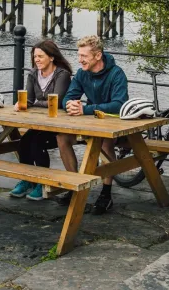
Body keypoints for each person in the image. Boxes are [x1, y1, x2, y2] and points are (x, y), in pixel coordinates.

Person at [56, 35, 128, 214]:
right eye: (79, 55)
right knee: (61, 137)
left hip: (116, 125)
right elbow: (68, 97)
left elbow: (119, 106)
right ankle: (74, 186)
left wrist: (86, 109)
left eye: (84, 56)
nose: (79, 60)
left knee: (104, 142)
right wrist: (69, 104)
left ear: (98, 56)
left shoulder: (116, 74)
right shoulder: (82, 73)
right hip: (90, 123)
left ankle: (106, 192)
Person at [9, 40, 73, 201]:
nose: (36, 59)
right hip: (40, 121)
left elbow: (57, 102)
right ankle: (27, 179)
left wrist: (35, 103)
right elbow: (28, 99)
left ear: (51, 57)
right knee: (24, 142)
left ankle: (42, 182)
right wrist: (21, 104)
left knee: (37, 143)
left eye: (40, 56)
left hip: (59, 123)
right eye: (34, 56)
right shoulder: (33, 74)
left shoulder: (62, 74)